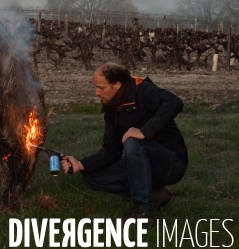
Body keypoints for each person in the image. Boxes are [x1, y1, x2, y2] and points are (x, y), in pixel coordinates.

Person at [61, 62, 188, 226]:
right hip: (143, 163)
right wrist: (82, 164)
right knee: (93, 178)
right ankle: (155, 194)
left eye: (101, 87)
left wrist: (144, 132)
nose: (96, 92)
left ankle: (144, 213)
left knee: (132, 141)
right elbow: (112, 150)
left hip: (171, 164)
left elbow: (174, 102)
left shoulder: (143, 91)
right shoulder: (112, 107)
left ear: (117, 85)